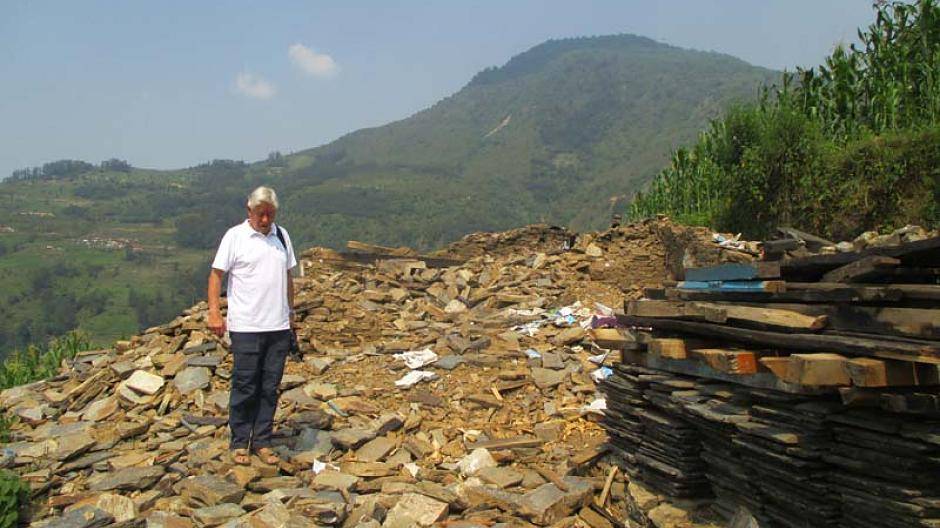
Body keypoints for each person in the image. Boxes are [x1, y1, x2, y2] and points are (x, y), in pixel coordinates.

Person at [207, 186, 297, 465]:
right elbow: (216, 276)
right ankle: (239, 442)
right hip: (246, 326)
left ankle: (262, 441)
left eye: (270, 214)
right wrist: (214, 313)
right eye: (261, 214)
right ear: (249, 211)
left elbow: (288, 276)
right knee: (245, 384)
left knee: (270, 386)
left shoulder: (282, 236)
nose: (266, 220)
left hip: (278, 326)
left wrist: (291, 312)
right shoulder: (235, 237)